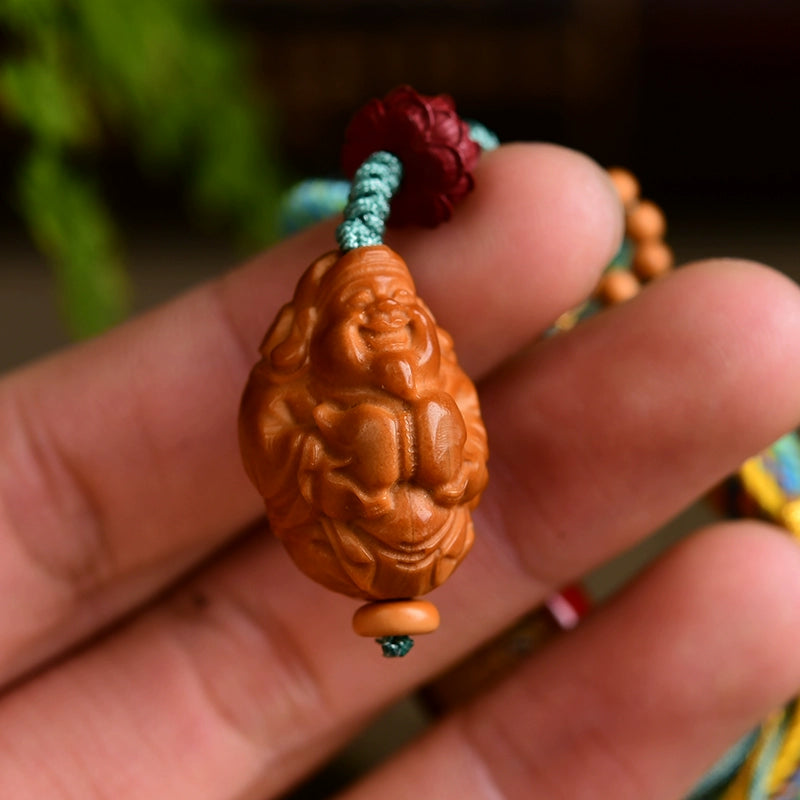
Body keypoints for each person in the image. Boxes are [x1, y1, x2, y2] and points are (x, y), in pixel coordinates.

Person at [0, 143, 799, 799]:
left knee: (428, 425)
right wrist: (344, 454)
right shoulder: (308, 374)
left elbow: (462, 440)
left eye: (394, 312)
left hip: (419, 506)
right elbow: (281, 435)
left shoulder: (427, 369)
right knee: (381, 428)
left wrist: (430, 448)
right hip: (358, 500)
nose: (386, 322)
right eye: (368, 313)